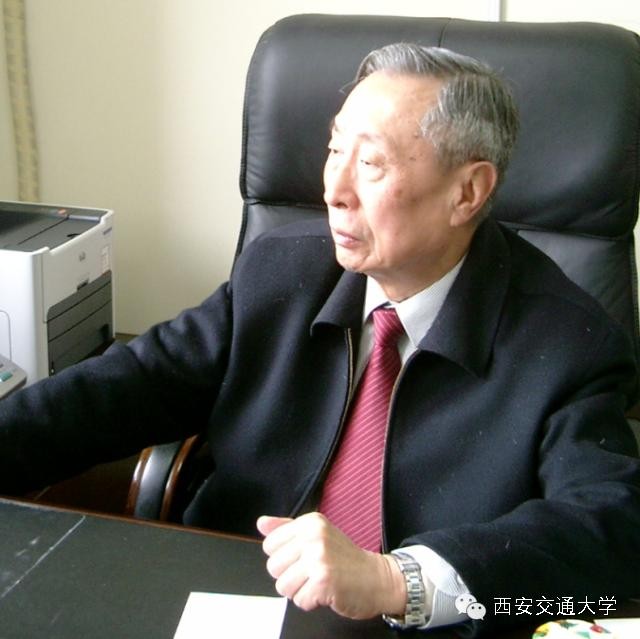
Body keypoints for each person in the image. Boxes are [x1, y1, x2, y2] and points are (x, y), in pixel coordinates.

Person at [1, 43, 639, 637]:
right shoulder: (281, 271)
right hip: (230, 597)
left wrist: (397, 581)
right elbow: (129, 384)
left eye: (371, 163)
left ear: (467, 192)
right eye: (335, 150)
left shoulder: (568, 343)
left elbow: (612, 530)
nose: (333, 191)